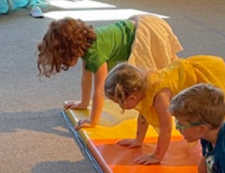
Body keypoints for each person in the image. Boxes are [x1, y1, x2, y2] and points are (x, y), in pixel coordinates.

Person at [36, 15, 183, 129]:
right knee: (170, 65)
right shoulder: (86, 46)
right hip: (142, 23)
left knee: (160, 75)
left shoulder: (95, 53)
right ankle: (187, 77)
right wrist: (84, 103)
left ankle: (186, 88)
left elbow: (100, 89)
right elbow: (86, 78)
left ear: (71, 49)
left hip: (145, 33)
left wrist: (93, 121)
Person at [104, 59, 225, 165]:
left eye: (120, 103)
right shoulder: (143, 89)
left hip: (208, 71)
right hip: (199, 68)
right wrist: (138, 140)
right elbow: (143, 115)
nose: (120, 107)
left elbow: (166, 129)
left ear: (131, 97)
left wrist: (157, 156)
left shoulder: (159, 96)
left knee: (216, 111)